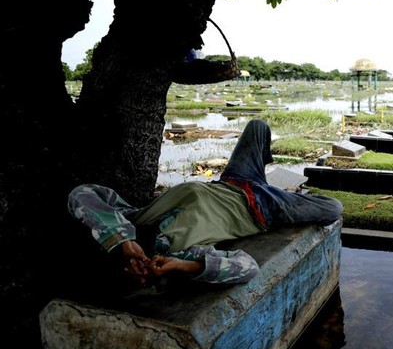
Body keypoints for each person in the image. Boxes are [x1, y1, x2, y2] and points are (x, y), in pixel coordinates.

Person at [68, 118, 343, 286]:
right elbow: (247, 267)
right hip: (261, 209)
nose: (137, 262)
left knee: (258, 127)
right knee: (333, 208)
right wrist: (183, 267)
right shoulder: (178, 253)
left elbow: (83, 193)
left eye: (130, 263)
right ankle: (281, 193)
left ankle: (270, 184)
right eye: (137, 271)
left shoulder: (130, 219)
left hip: (233, 181)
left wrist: (122, 242)